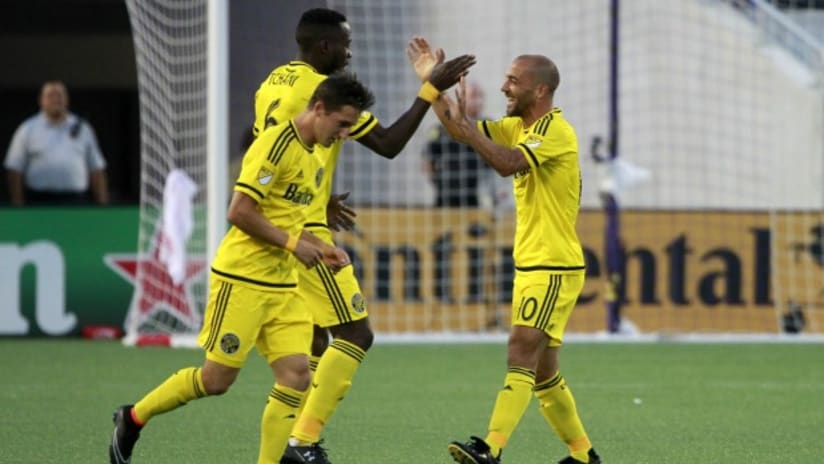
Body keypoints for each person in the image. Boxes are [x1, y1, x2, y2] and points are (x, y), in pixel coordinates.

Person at [108, 73, 373, 464]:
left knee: (297, 375)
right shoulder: (275, 144)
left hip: (283, 285)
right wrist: (294, 244)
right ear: (319, 109)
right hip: (242, 279)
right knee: (216, 381)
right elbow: (240, 212)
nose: (346, 133)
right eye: (342, 124)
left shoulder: (316, 157)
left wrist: (320, 246)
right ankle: (132, 419)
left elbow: (290, 218)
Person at [251, 9, 475, 464]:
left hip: (281, 223)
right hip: (303, 234)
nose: (351, 52)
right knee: (356, 332)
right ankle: (302, 443)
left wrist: (321, 192)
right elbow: (390, 143)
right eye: (346, 44)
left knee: (314, 344)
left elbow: (272, 149)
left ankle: (284, 450)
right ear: (325, 48)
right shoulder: (321, 93)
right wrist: (431, 88)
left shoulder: (273, 83)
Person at [422, 47, 601, 464]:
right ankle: (583, 456)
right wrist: (432, 85)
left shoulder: (555, 130)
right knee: (542, 372)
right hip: (536, 263)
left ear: (539, 90)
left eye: (512, 81)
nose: (504, 87)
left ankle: (491, 448)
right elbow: (459, 128)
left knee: (520, 348)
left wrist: (470, 133)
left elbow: (506, 164)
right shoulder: (518, 126)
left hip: (553, 264)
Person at [4, 80, 109, 206]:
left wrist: (103, 204)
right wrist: (17, 202)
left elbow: (96, 168)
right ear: (41, 101)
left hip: (75, 201)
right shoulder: (27, 129)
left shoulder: (83, 129)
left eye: (60, 95)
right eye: (50, 95)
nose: (55, 99)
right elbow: (15, 169)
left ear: (67, 99)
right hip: (39, 201)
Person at [423, 80, 491, 207]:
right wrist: (437, 182)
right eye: (473, 96)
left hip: (475, 194)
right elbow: (428, 160)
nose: (478, 101)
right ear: (461, 99)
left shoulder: (489, 128)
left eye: (480, 96)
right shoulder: (443, 128)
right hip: (446, 194)